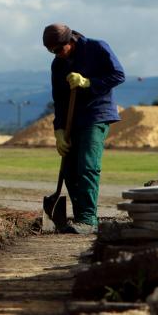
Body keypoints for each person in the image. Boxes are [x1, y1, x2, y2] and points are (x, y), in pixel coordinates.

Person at [42, 23, 125, 234]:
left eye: (58, 50)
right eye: (51, 52)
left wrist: (88, 83)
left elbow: (118, 75)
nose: (56, 55)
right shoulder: (58, 65)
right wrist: (58, 130)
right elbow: (59, 100)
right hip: (72, 120)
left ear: (70, 41)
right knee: (69, 168)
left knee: (87, 165)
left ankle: (88, 219)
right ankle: (81, 219)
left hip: (97, 114)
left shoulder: (97, 48)